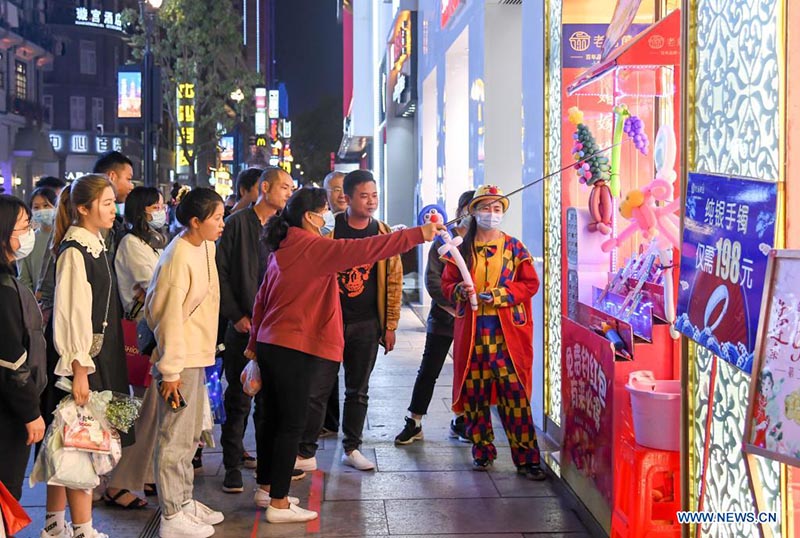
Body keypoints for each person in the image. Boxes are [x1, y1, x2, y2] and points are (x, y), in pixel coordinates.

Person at [245, 187, 443, 523]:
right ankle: (279, 503)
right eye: (323, 210)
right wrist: (418, 234)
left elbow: (261, 300)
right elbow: (368, 248)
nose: (328, 216)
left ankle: (266, 489)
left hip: (270, 344)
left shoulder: (283, 246)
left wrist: (253, 348)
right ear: (310, 217)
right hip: (294, 347)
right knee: (290, 424)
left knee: (271, 420)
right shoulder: (314, 248)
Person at [296, 170, 403, 474]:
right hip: (328, 323)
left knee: (358, 390)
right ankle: (305, 451)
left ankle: (352, 448)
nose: (371, 201)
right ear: (348, 197)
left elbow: (393, 280)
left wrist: (390, 325)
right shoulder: (329, 230)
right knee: (317, 389)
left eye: (374, 195)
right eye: (364, 196)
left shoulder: (382, 232)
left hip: (366, 324)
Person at [44, 174, 132, 538]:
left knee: (66, 443)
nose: (113, 210)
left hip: (98, 356)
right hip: (83, 362)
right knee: (80, 444)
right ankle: (83, 529)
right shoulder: (75, 250)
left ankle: (54, 526)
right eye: (107, 203)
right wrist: (79, 368)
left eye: (113, 202)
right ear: (83, 208)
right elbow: (71, 314)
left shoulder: (95, 243)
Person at [440, 185, 546, 481]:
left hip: (507, 336)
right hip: (473, 334)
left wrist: (501, 295)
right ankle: (482, 451)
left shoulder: (515, 248)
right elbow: (447, 284)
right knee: (475, 396)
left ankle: (527, 459)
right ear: (473, 211)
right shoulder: (461, 248)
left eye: (497, 208)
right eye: (485, 208)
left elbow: (530, 284)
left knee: (515, 396)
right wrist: (459, 290)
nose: (491, 213)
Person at [144, 188, 226, 538]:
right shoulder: (178, 257)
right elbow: (168, 318)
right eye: (217, 218)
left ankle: (184, 499)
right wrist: (170, 371)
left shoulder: (205, 245)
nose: (222, 224)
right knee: (174, 437)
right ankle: (172, 514)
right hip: (178, 359)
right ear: (195, 221)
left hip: (197, 354)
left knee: (191, 435)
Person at [217, 167, 294, 494]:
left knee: (270, 402)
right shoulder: (236, 223)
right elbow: (220, 273)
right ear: (265, 187)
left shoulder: (285, 226)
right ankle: (232, 465)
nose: (288, 193)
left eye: (291, 188)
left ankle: (267, 468)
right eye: (284, 187)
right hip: (242, 326)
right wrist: (235, 316)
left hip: (274, 327)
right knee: (238, 397)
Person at [103, 186, 168, 509]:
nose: (161, 211)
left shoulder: (152, 242)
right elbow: (156, 284)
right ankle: (118, 483)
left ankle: (143, 475)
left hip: (155, 334)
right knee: (138, 415)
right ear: (142, 210)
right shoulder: (130, 243)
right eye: (156, 206)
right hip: (141, 338)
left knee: (152, 413)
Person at [395, 190, 475, 445]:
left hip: (473, 321)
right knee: (429, 369)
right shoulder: (443, 240)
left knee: (468, 372)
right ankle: (414, 421)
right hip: (444, 318)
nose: (475, 214)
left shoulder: (482, 241)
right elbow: (433, 281)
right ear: (460, 210)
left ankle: (461, 420)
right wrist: (454, 307)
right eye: (471, 208)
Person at [0, 195, 46, 500]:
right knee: (6, 492)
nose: (31, 232)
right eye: (25, 226)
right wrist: (31, 412)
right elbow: (10, 359)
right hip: (7, 412)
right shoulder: (3, 289)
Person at [319, 170, 348, 437]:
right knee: (325, 368)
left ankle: (349, 431)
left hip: (353, 310)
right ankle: (327, 421)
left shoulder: (362, 223)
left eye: (344, 189)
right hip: (325, 308)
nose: (341, 194)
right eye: (335, 189)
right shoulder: (322, 225)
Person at [93, 150, 135, 256]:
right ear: (112, 176)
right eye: (128, 179)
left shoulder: (116, 222)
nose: (131, 186)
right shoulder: (94, 220)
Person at [18, 187, 57, 293]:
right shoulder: (28, 240)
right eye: (36, 207)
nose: (41, 210)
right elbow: (23, 278)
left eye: (46, 205)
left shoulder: (65, 236)